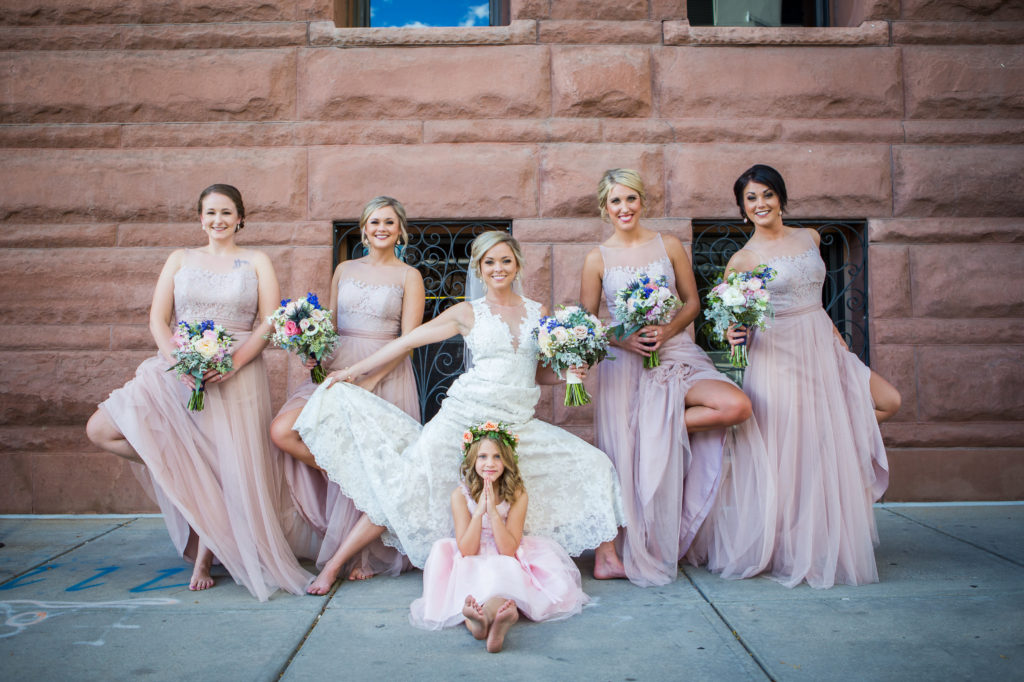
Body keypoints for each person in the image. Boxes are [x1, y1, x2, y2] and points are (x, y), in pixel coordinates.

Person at [293, 231, 624, 594]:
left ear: (517, 264)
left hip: (516, 422)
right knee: (406, 486)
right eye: (489, 262)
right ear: (479, 270)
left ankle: (607, 558)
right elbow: (407, 341)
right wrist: (353, 372)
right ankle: (335, 565)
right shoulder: (468, 312)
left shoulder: (537, 312)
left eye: (505, 261)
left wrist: (568, 374)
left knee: (592, 463)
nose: (498, 269)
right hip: (463, 417)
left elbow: (538, 372)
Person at [85, 184, 312, 600]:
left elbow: (269, 321)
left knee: (228, 465)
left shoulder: (257, 260)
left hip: (237, 375)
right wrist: (180, 363)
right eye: (210, 213)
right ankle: (182, 472)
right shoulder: (180, 259)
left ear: (240, 217)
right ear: (200, 218)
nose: (218, 221)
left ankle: (208, 554)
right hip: (179, 369)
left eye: (226, 213)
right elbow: (158, 319)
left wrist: (233, 363)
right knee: (101, 429)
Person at [709, 163, 900, 588]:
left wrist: (842, 348)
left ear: (781, 198)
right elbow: (729, 323)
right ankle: (796, 545)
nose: (760, 204)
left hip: (823, 346)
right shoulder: (743, 260)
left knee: (889, 400)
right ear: (742, 209)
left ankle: (838, 484)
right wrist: (733, 333)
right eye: (751, 199)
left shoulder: (810, 237)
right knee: (793, 449)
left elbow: (817, 301)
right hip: (778, 356)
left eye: (767, 194)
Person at [580, 168, 770, 587]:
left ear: (641, 201)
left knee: (735, 405)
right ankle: (620, 549)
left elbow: (692, 302)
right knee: (625, 458)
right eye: (616, 201)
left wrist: (667, 330)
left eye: (631, 198)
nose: (624, 208)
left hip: (678, 353)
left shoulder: (667, 245)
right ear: (604, 207)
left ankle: (660, 426)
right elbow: (590, 325)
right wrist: (624, 339)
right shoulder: (597, 258)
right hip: (625, 367)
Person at [269, 196, 423, 581]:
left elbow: (409, 339)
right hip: (336, 369)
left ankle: (362, 551)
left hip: (382, 372)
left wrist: (369, 377)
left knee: (371, 456)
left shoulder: (409, 276)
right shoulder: (344, 269)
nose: (381, 228)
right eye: (374, 221)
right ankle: (345, 483)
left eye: (389, 221)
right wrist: (313, 354)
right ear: (364, 228)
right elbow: (330, 324)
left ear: (400, 230)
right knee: (283, 431)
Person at [409, 422, 588, 653]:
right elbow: (466, 550)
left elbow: (508, 550)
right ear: (472, 460)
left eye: (497, 457)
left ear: (507, 461)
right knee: (467, 581)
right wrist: (479, 512)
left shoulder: (517, 494)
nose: (490, 463)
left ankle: (491, 622)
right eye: (483, 456)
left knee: (504, 575)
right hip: (470, 554)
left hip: (505, 551)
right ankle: (477, 622)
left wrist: (493, 513)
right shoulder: (460, 495)